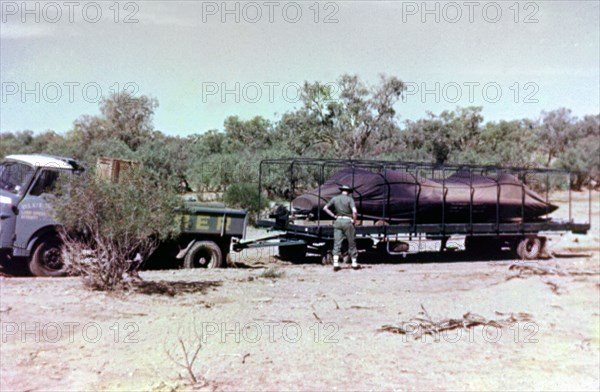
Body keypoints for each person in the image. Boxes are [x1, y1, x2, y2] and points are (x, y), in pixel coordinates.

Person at [323, 185, 359, 271]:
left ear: (341, 191)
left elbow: (325, 208)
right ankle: (354, 263)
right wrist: (354, 220)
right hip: (347, 222)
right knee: (351, 242)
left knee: (337, 242)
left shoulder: (335, 198)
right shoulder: (350, 199)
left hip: (338, 221)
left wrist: (334, 216)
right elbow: (355, 211)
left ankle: (335, 263)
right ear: (349, 192)